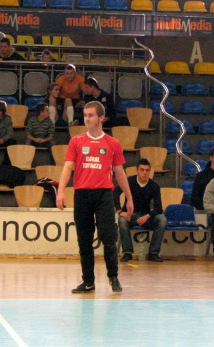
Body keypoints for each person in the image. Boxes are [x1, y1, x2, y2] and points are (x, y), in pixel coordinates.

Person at [56, 101, 134, 293]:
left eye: (91, 115)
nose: (87, 118)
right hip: (82, 194)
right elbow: (68, 167)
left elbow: (119, 172)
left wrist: (129, 198)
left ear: (101, 118)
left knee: (109, 237)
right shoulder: (77, 141)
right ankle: (88, 281)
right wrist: (61, 190)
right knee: (84, 240)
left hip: (104, 195)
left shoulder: (113, 143)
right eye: (85, 115)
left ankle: (113, 277)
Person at [114, 158, 167, 263]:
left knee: (162, 219)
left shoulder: (154, 186)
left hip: (146, 216)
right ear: (137, 170)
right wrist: (120, 211)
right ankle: (127, 252)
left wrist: (147, 216)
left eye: (147, 170)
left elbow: (158, 208)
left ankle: (153, 253)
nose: (144, 173)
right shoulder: (129, 181)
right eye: (142, 170)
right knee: (122, 220)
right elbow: (114, 193)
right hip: (130, 215)